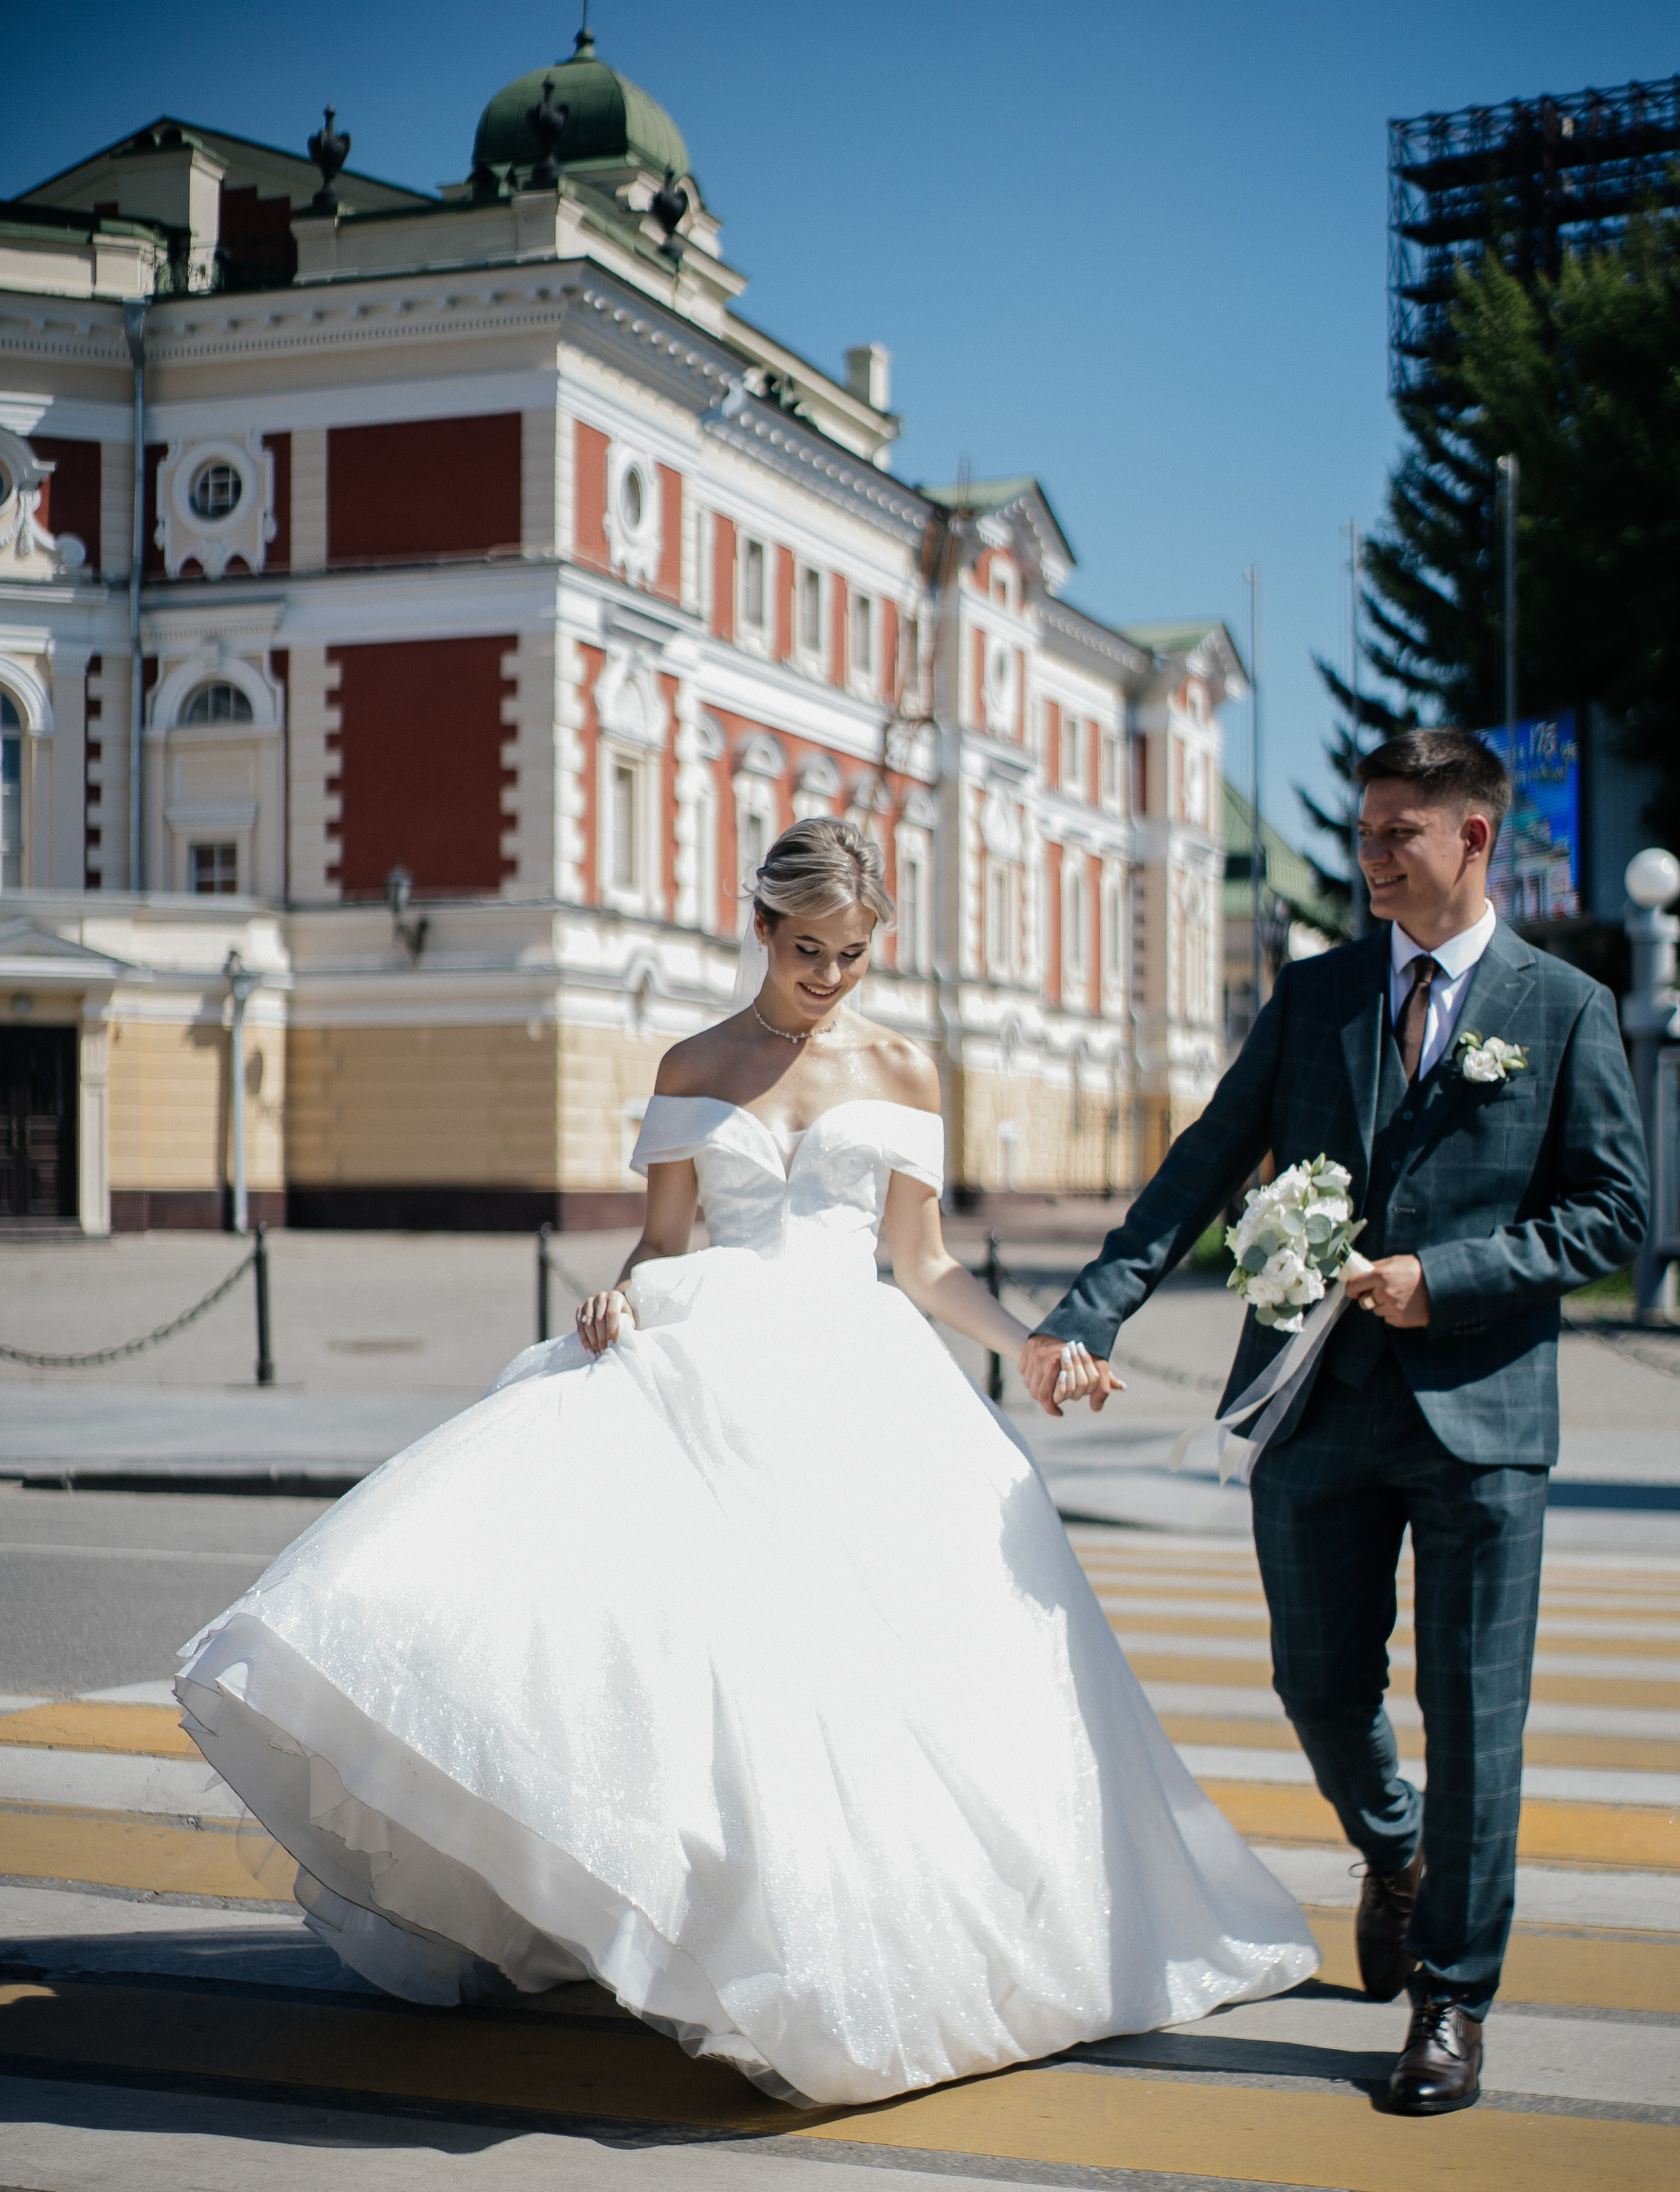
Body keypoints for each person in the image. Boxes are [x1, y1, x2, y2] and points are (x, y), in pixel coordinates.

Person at [177, 818, 1316, 2109]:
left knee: (872, 1675)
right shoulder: (691, 1063)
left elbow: (924, 1265)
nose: (828, 979)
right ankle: (701, 1922)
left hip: (859, 1385)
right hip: (704, 1364)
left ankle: (872, 1945)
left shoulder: (900, 1070)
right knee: (690, 1663)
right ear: (761, 932)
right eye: (806, 952)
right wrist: (618, 1300)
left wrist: (1038, 1346)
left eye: (850, 955)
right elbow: (663, 1243)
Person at [1025, 730, 1648, 2113]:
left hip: (1482, 1419)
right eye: (1363, 833)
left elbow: (1613, 1212)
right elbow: (1201, 1163)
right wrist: (1089, 1313)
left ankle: (1448, 2001)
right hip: (1310, 1408)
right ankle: (1393, 1846)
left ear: (1471, 840)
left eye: (1395, 836)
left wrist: (1453, 1278)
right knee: (1315, 1688)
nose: (1367, 858)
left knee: (1474, 1719)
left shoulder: (1560, 1006)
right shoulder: (1313, 1000)